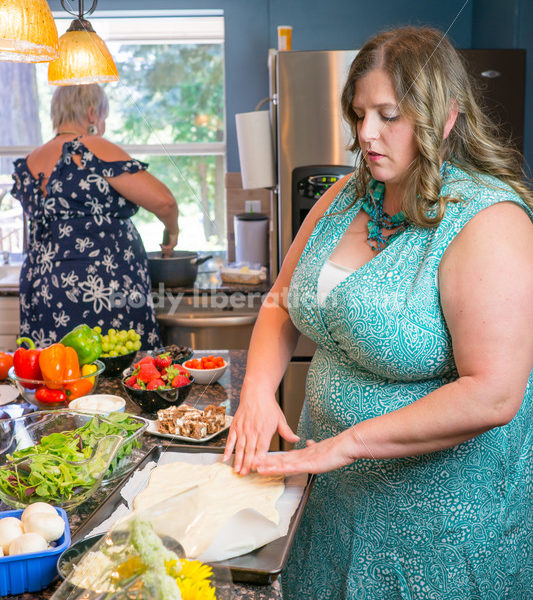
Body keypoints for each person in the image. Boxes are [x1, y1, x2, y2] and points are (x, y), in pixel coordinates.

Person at [223, 26, 533, 599]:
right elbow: (280, 303)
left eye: (389, 115)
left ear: (444, 118)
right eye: (359, 114)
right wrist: (258, 393)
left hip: (436, 532)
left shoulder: (489, 222)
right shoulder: (346, 195)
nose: (366, 134)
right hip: (329, 503)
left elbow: (494, 393)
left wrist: (345, 444)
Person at [11, 84, 178, 348]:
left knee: (58, 373)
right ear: (91, 114)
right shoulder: (90, 148)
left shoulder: (30, 161)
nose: (103, 125)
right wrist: (172, 232)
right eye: (103, 117)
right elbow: (165, 202)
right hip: (102, 286)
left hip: (42, 287)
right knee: (117, 365)